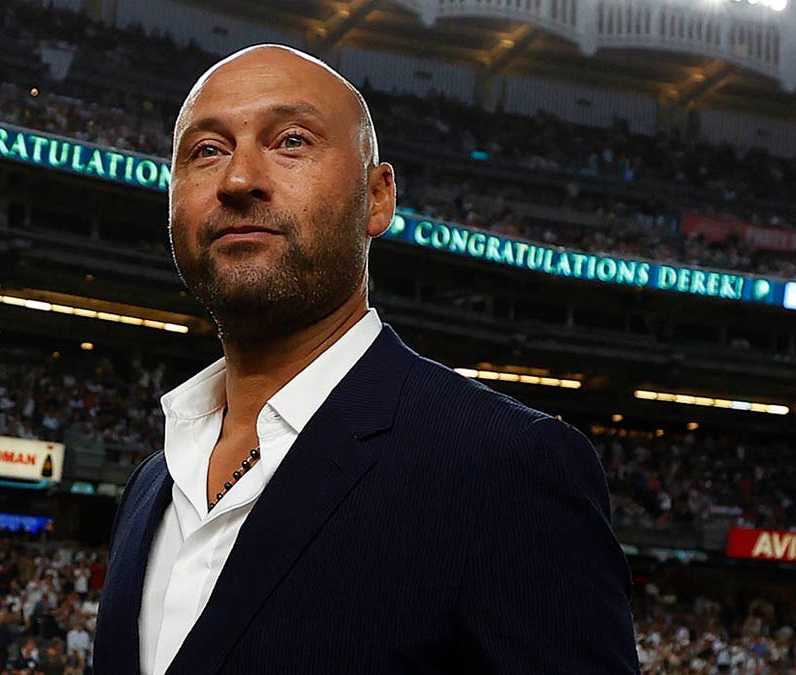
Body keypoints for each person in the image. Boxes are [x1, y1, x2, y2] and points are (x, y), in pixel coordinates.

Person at [94, 44, 638, 674]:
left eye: (291, 142)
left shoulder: (505, 464)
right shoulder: (150, 487)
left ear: (378, 197)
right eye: (206, 150)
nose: (238, 179)